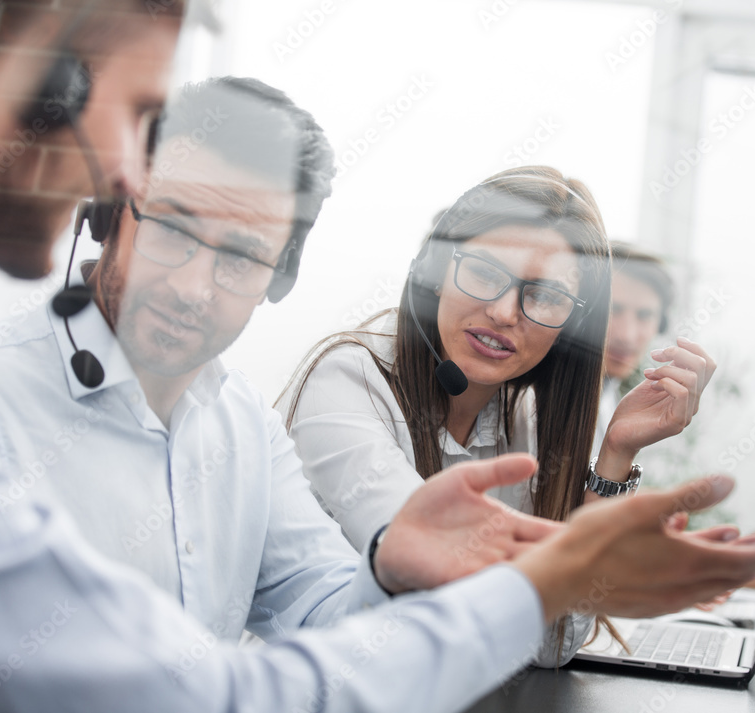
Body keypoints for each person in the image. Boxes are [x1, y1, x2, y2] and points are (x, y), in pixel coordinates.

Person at [0, 7, 755, 710]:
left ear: (281, 276)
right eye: (174, 229)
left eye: (240, 257)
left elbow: (321, 608)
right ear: (112, 212)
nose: (195, 285)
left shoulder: (238, 426)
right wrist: (533, 584)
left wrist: (391, 563)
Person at [280, 167, 723, 665]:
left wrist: (617, 452)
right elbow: (445, 598)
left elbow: (551, 645)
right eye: (485, 273)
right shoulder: (347, 381)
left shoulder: (526, 413)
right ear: (434, 270)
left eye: (546, 295)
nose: (505, 312)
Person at [595, 241, 676, 440]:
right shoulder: (535, 400)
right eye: (613, 310)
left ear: (661, 324)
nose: (627, 335)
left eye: (644, 315)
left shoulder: (609, 400)